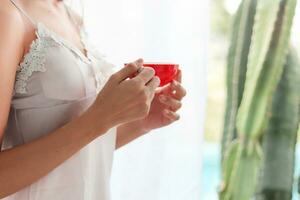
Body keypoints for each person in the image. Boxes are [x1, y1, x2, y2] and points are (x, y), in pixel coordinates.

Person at [0, 0, 187, 199]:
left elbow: (80, 148)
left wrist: (140, 122)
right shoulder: (7, 15)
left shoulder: (72, 17)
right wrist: (100, 118)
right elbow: (91, 125)